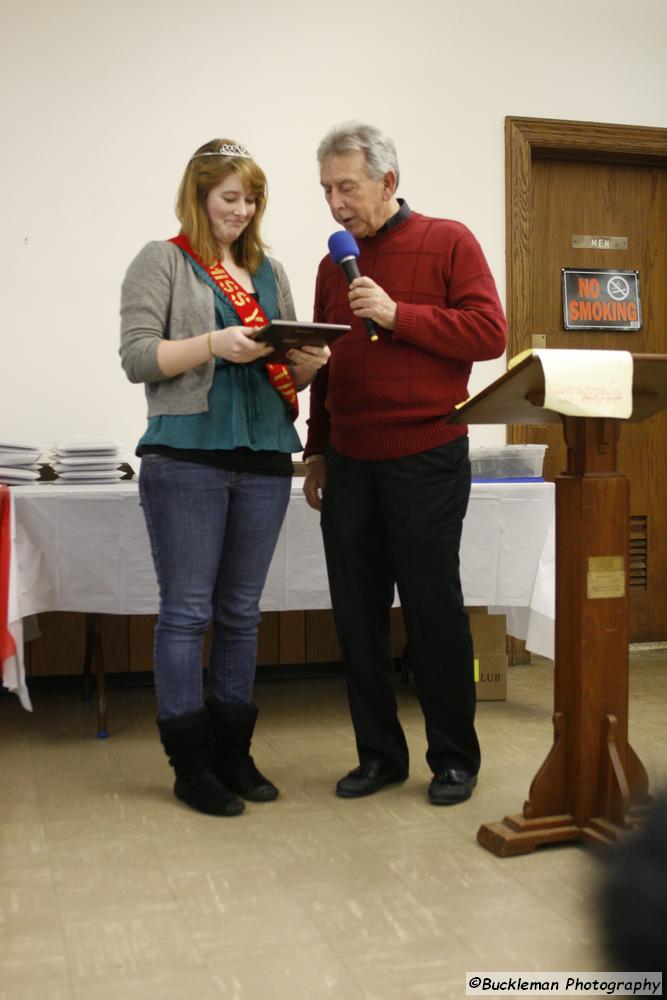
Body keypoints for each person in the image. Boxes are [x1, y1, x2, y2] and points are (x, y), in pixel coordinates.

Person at [120, 138, 329, 817]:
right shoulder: (164, 260)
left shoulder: (268, 270)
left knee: (241, 613)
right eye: (229, 198)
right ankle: (191, 766)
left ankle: (235, 754)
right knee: (186, 613)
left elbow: (286, 360)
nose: (241, 211)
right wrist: (213, 342)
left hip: (266, 453)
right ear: (199, 196)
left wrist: (309, 364)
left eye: (251, 199)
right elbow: (138, 357)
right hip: (187, 455)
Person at [303, 122, 507, 805]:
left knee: (431, 611)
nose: (335, 204)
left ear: (387, 183)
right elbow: (326, 367)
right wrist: (316, 451)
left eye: (347, 188)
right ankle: (378, 757)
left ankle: (453, 759)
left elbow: (488, 334)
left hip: (425, 456)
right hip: (351, 464)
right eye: (327, 189)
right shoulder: (331, 267)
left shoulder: (449, 241)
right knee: (356, 617)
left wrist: (398, 315)